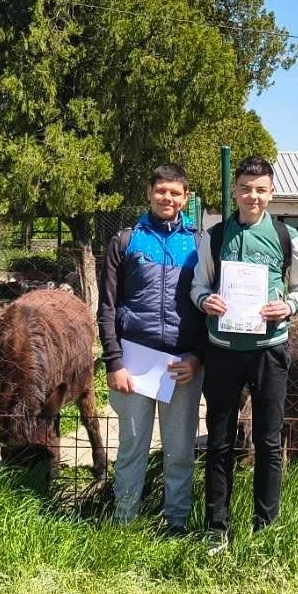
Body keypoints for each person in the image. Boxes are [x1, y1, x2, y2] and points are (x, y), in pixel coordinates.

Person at [190, 155, 298, 552]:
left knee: (269, 441)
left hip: (269, 351)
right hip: (223, 351)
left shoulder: (286, 237)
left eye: (261, 190)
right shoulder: (214, 236)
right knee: (220, 441)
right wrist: (205, 301)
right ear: (235, 191)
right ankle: (216, 528)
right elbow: (198, 286)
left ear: (271, 193)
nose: (252, 196)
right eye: (245, 188)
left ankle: (266, 527)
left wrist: (288, 306)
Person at [96, 164, 205, 534]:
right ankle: (123, 525)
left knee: (180, 451)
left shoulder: (199, 244)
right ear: (149, 193)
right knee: (131, 449)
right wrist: (114, 362)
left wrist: (197, 358)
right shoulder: (125, 241)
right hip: (134, 364)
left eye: (175, 193)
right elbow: (107, 307)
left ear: (185, 198)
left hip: (182, 365)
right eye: (161, 191)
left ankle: (176, 524)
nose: (167, 198)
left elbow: (209, 308)